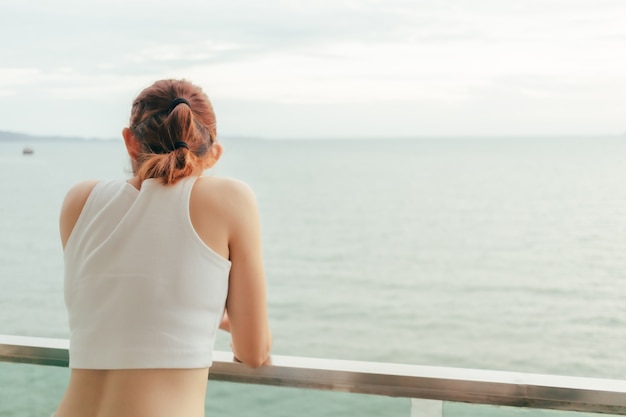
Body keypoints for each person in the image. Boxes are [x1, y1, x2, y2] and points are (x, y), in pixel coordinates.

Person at [53, 79, 272, 417]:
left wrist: (202, 312)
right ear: (214, 153)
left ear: (129, 141)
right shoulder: (231, 199)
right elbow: (254, 352)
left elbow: (123, 297)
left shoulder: (78, 201)